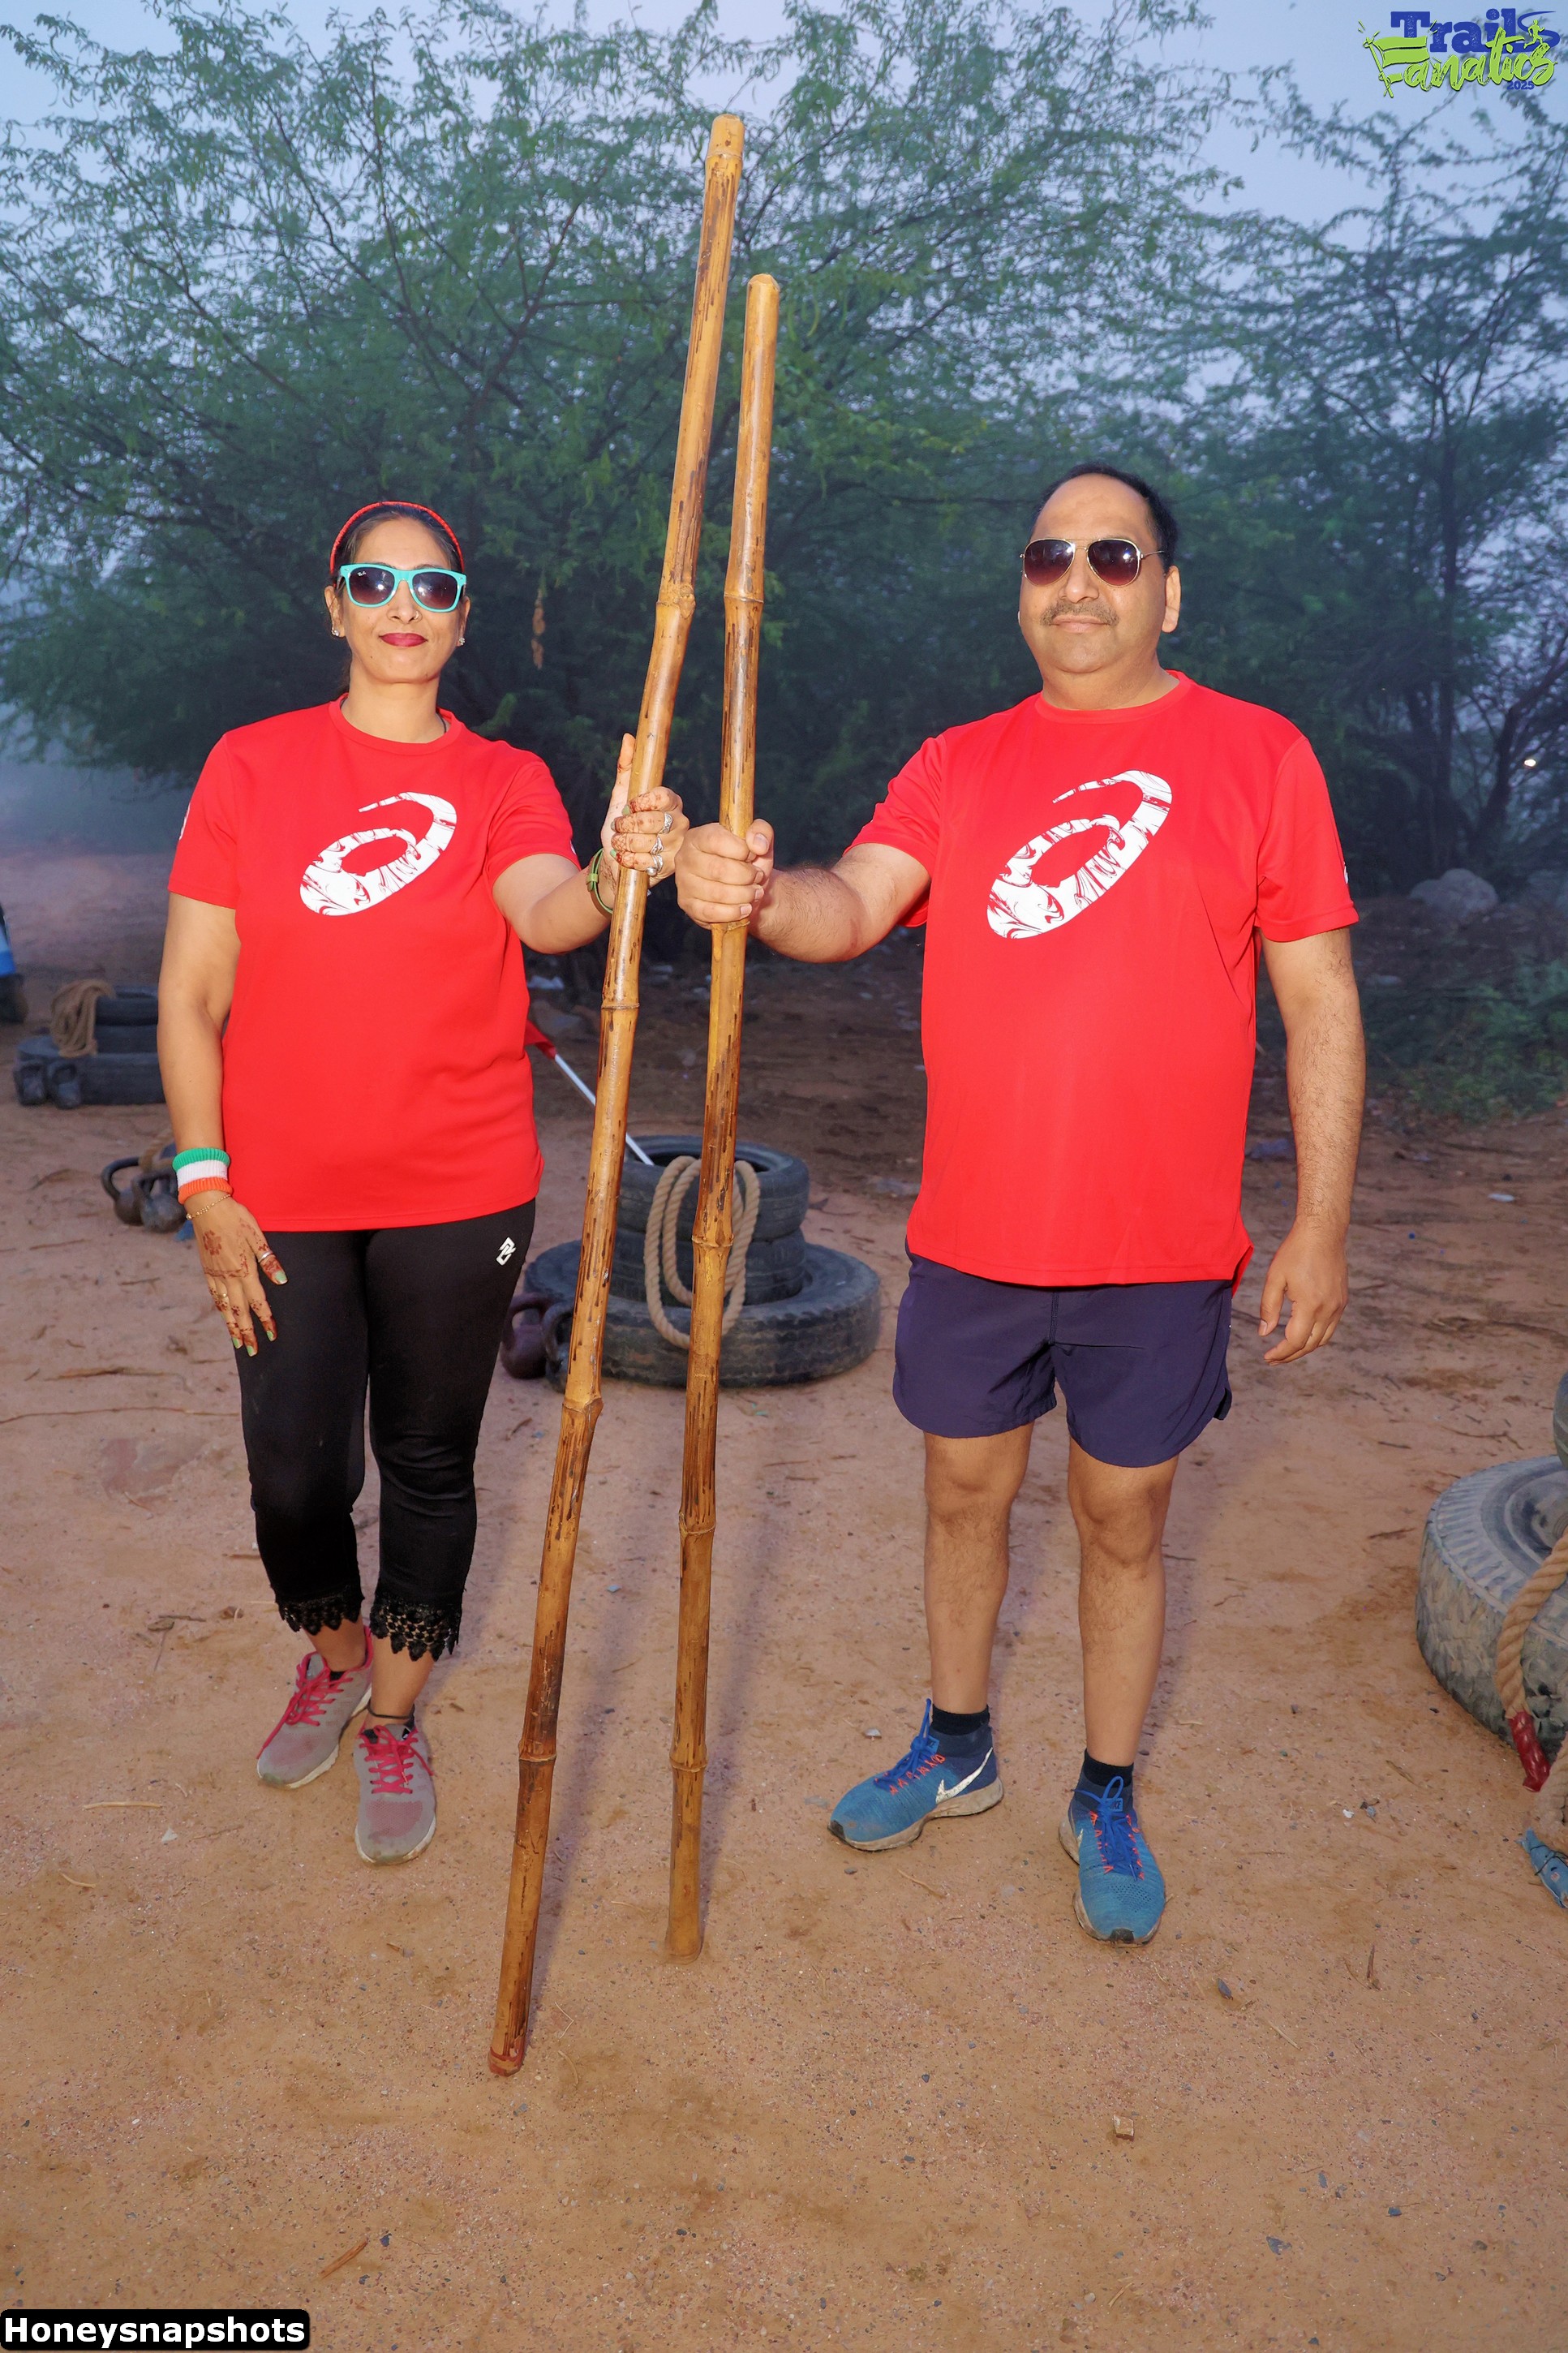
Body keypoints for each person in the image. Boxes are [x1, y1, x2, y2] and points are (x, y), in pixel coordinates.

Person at [675, 463, 1364, 1943]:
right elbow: (849, 907)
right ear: (1021, 591)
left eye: (1114, 555)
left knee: (1122, 1517)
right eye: (1049, 555)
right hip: (977, 1234)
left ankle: (1103, 1788)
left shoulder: (1258, 755)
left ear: (1167, 592)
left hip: (1157, 1244)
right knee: (961, 1493)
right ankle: (956, 1745)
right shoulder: (961, 763)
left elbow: (1316, 998)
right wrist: (753, 889)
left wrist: (1320, 1224)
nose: (1077, 581)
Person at [159, 499, 686, 1865]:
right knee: (292, 1476)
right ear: (332, 604)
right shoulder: (251, 765)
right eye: (374, 580)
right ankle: (334, 1657)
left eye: (432, 586)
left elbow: (548, 912)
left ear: (461, 618)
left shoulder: (503, 778)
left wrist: (616, 868)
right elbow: (192, 989)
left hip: (460, 1185)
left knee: (428, 1462)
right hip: (276, 1193)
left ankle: (392, 1717)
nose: (404, 604)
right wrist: (205, 1184)